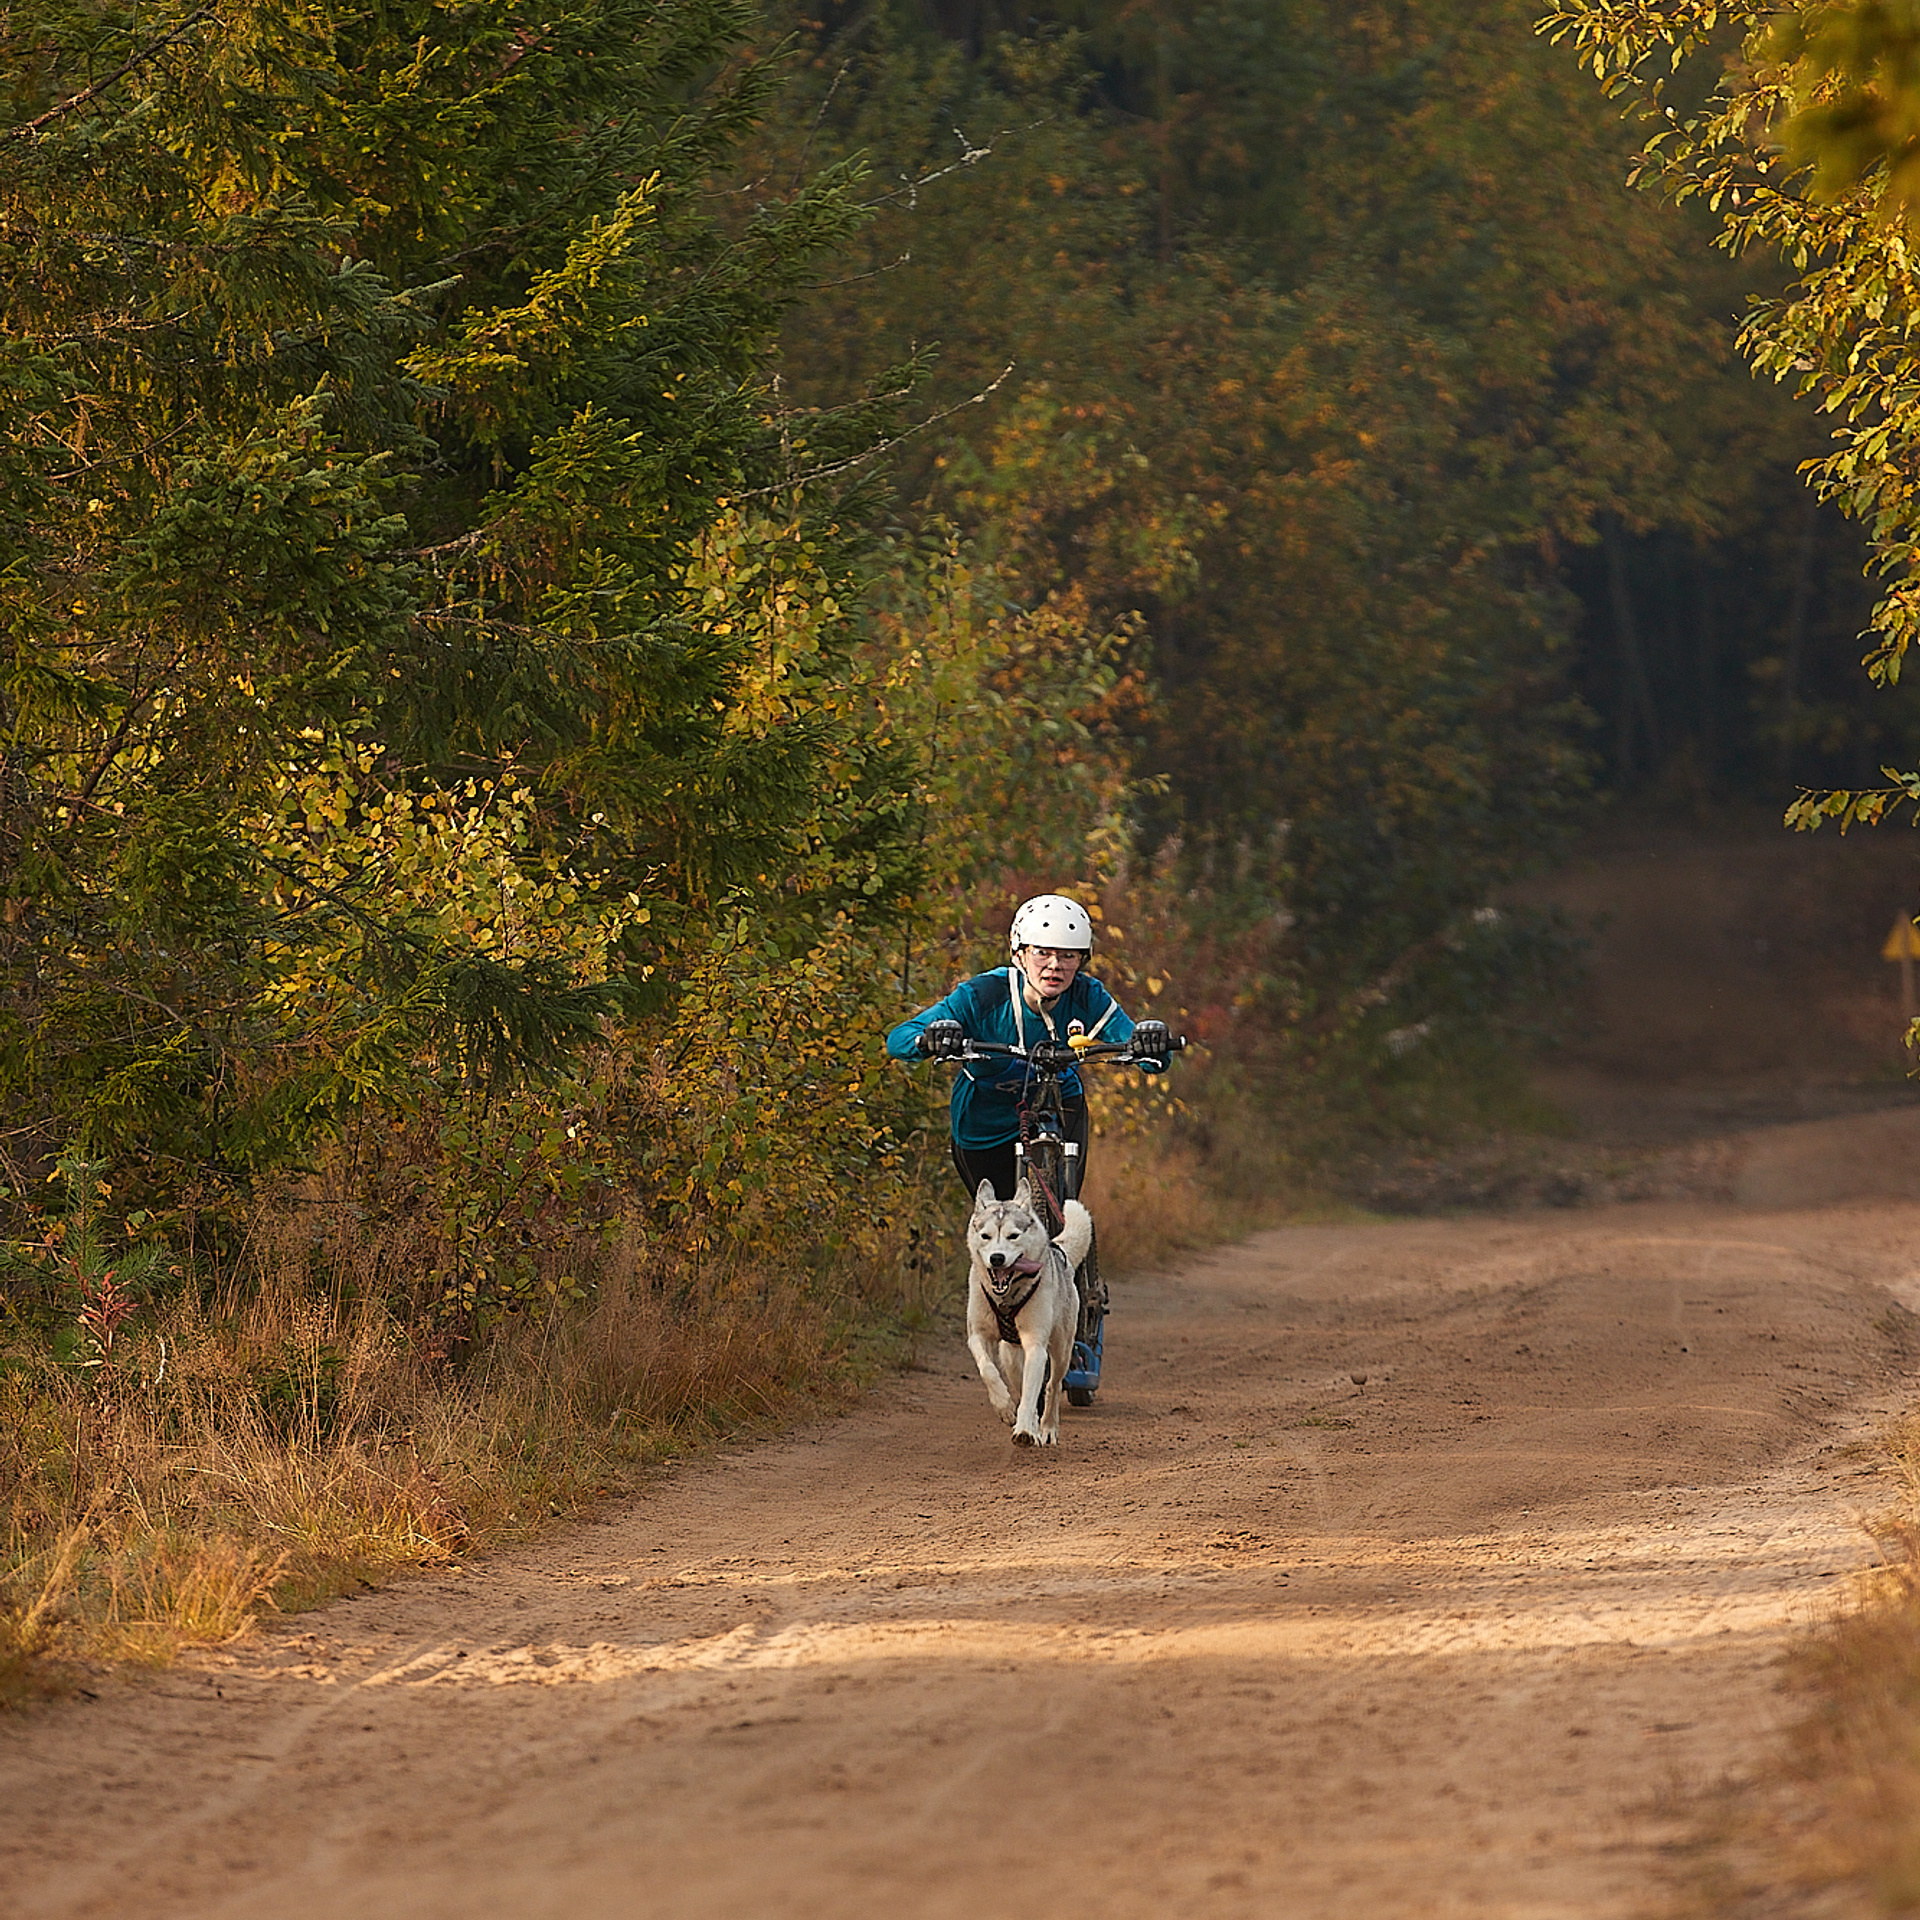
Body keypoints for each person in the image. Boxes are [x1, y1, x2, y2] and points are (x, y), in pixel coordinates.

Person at [886, 893, 1170, 1203]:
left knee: (1066, 1210)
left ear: (1081, 959)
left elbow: (1148, 1053)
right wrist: (931, 1038)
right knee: (998, 1226)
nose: (1054, 966)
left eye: (1068, 956)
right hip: (985, 1121)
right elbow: (899, 1038)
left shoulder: (1087, 995)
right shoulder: (983, 996)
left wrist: (1151, 1041)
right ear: (1019, 954)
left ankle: (1065, 1244)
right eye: (1042, 953)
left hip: (1060, 1107)